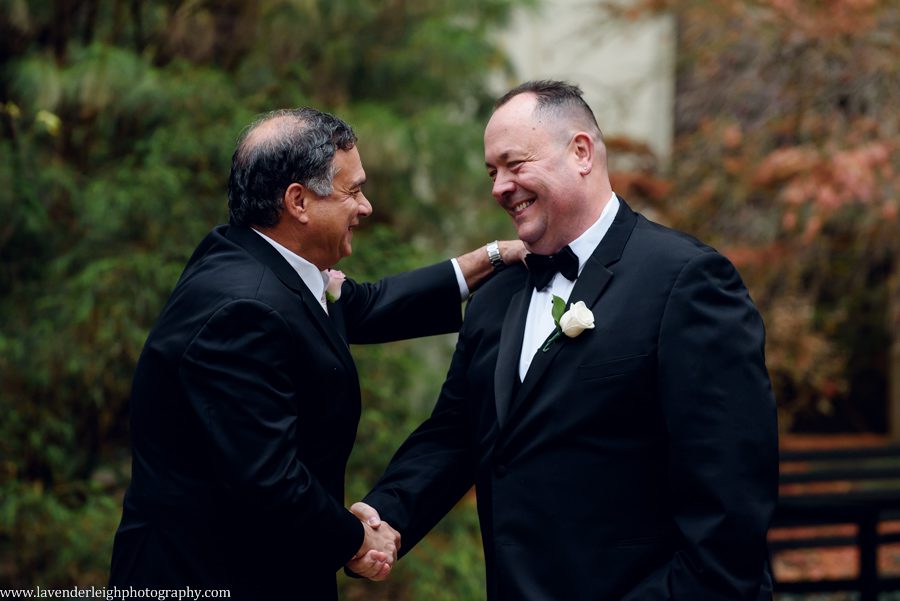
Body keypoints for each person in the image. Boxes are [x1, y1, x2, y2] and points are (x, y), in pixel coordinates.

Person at [354, 81, 779, 600]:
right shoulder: (496, 296)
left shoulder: (687, 282)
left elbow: (729, 507)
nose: (499, 188)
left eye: (514, 164)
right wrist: (382, 519)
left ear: (581, 152)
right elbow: (455, 434)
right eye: (492, 172)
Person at [108, 107, 524, 599]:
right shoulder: (245, 310)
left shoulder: (247, 254)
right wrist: (356, 541)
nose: (366, 207)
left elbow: (360, 307)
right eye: (353, 191)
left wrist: (490, 259)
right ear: (298, 202)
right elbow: (267, 479)